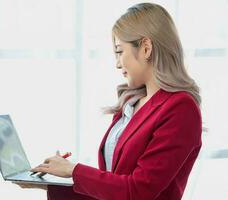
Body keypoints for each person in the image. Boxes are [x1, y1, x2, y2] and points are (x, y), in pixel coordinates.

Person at [14, 3, 202, 200]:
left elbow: (137, 192)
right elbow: (113, 190)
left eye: (120, 51)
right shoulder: (131, 103)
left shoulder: (181, 108)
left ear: (146, 48)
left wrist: (74, 170)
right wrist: (50, 183)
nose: (117, 63)